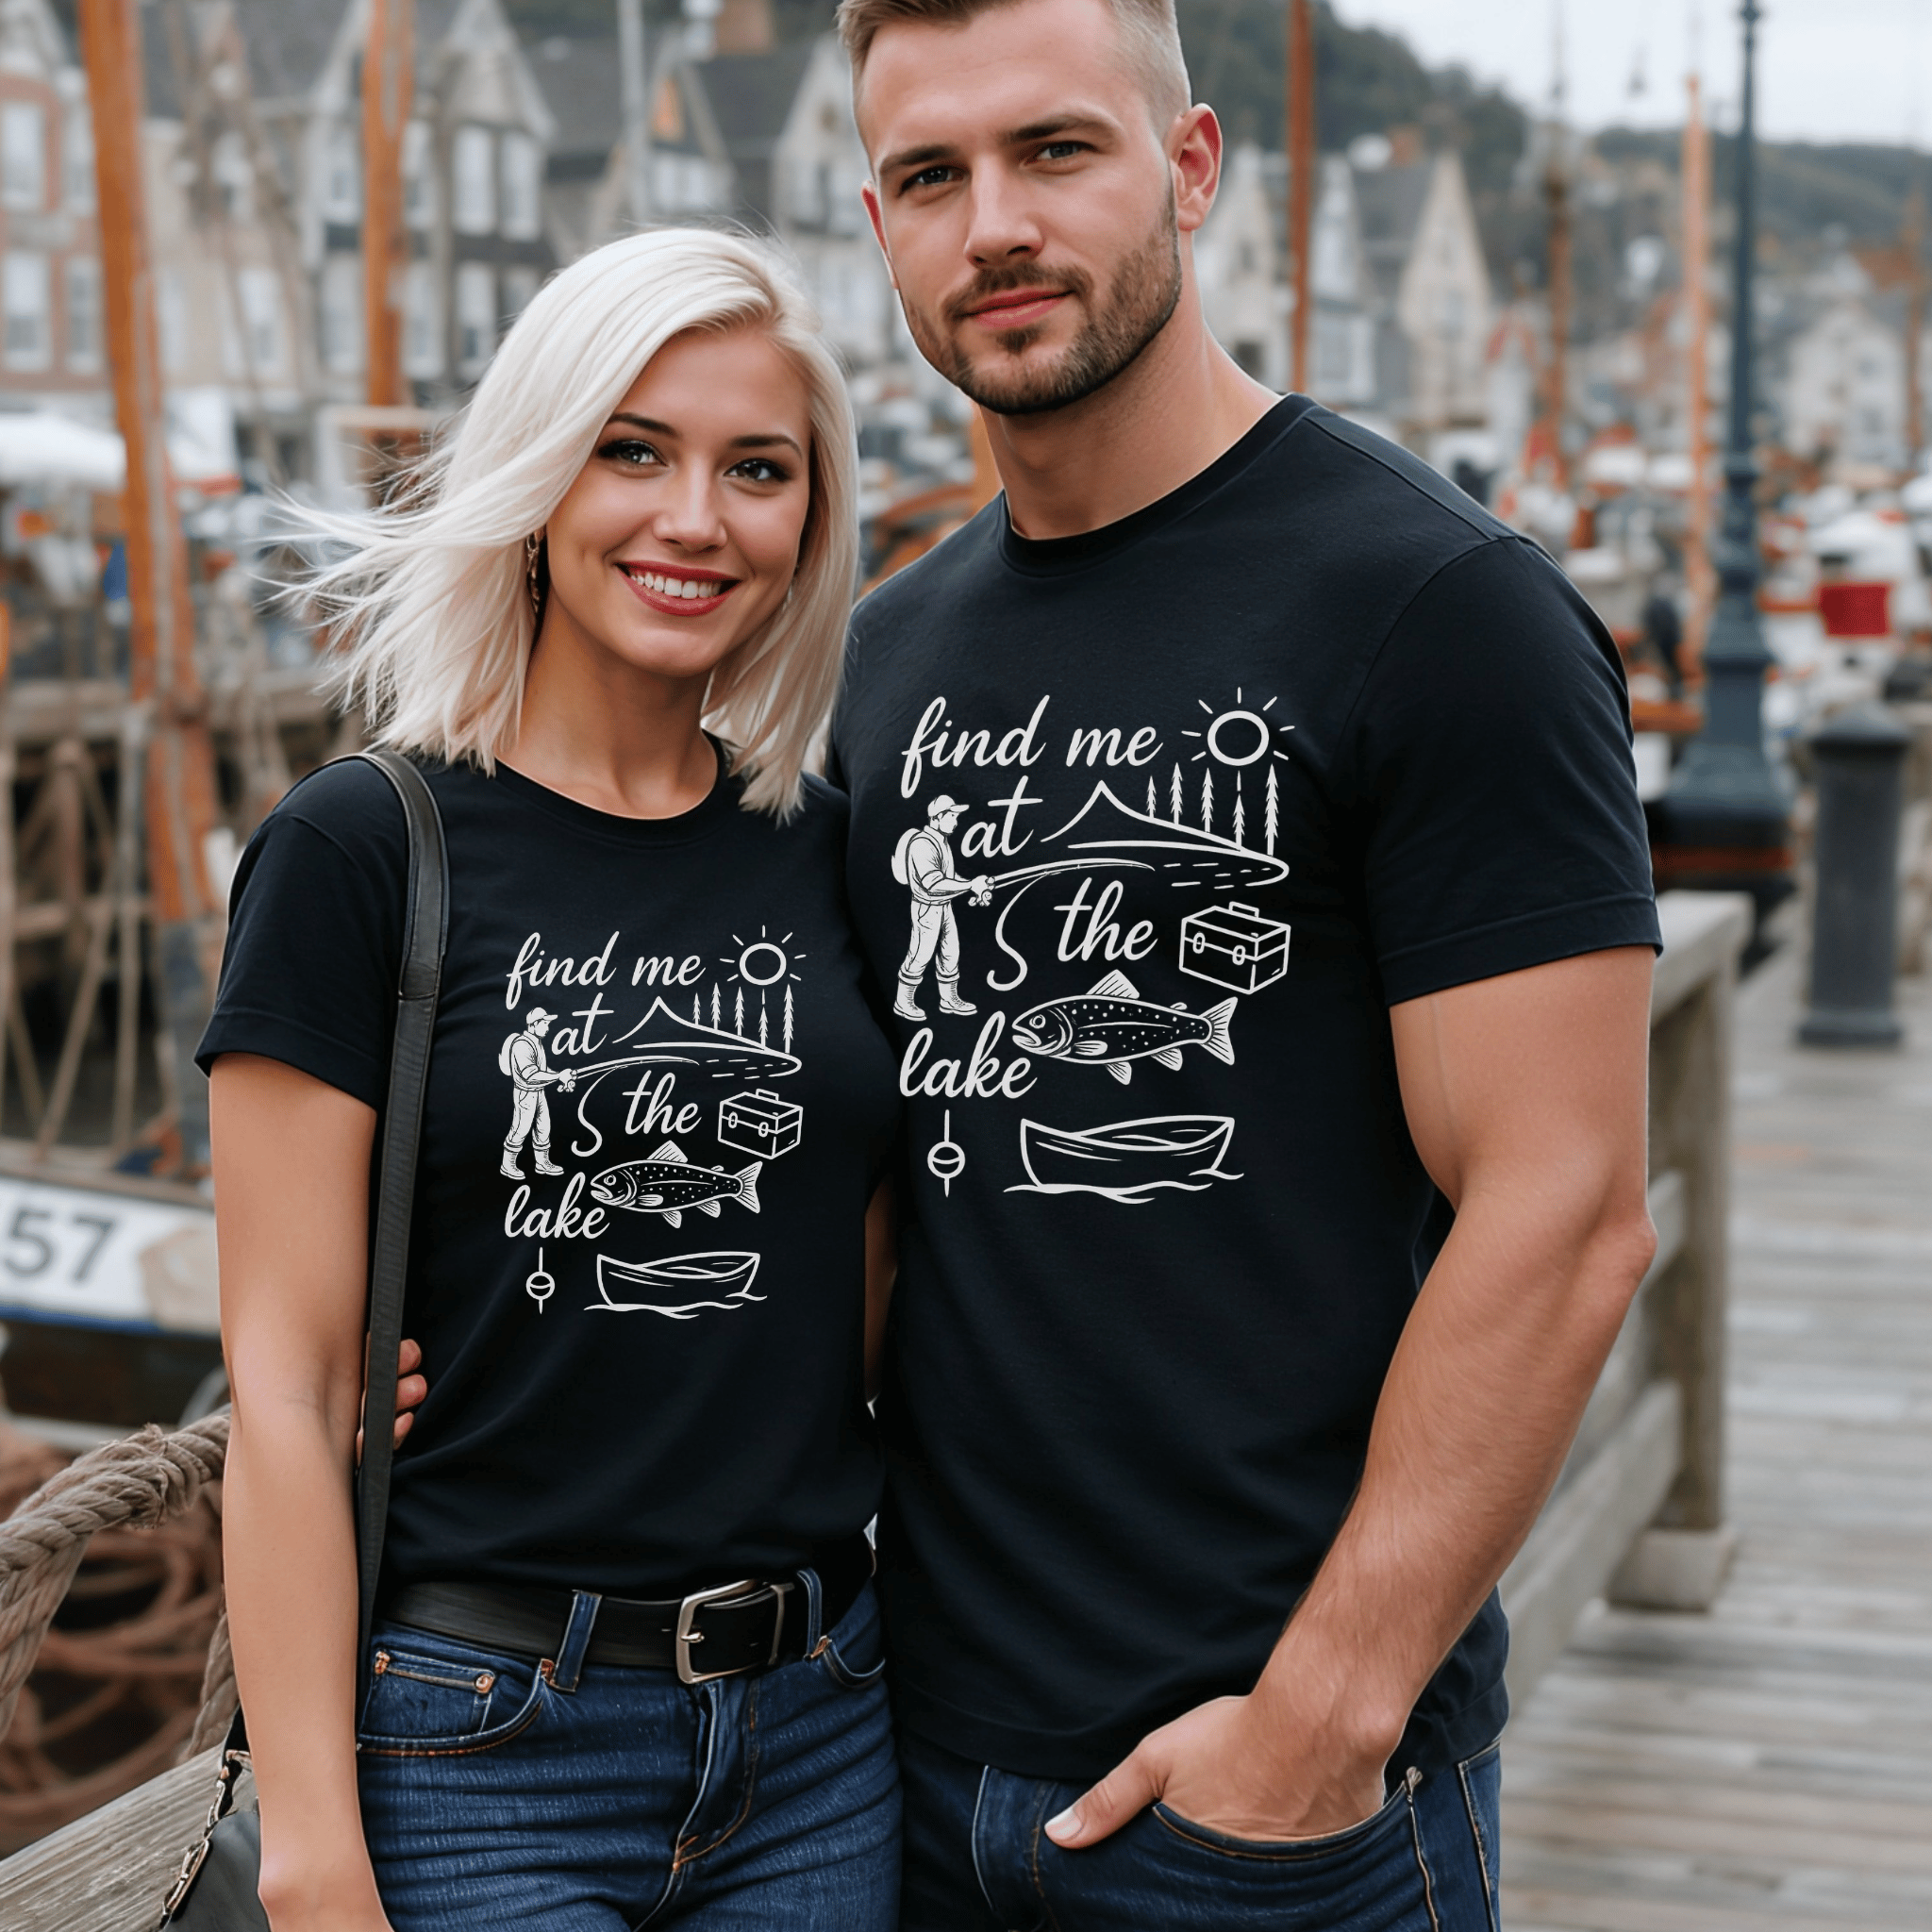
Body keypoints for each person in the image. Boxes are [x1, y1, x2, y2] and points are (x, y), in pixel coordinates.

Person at [824, 0, 1664, 1924]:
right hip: (902, 1752)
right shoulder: (884, 659)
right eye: (933, 177)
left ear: (1189, 168)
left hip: (1273, 1801)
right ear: (877, 223)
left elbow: (1565, 1205)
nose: (994, 227)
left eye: (1057, 152)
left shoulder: (1439, 607)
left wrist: (1317, 1726)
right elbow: (852, 1174)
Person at [203, 230, 901, 1932]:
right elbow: (285, 1388)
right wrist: (310, 1848)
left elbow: (871, 1277)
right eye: (631, 448)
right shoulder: (363, 845)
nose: (694, 517)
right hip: (479, 1735)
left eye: (757, 469)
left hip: (816, 1721)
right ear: (536, 474)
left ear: (809, 519)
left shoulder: (826, 847)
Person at [893, 795, 991, 1018]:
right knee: (920, 955)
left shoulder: (942, 842)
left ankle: (949, 999)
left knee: (951, 953)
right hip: (926, 908)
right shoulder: (922, 844)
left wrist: (973, 887)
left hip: (944, 907)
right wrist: (969, 885)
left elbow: (949, 876)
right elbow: (933, 884)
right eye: (952, 816)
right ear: (937, 818)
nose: (956, 822)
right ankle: (903, 1001)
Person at [499, 1006, 575, 1178]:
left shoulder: (537, 1043)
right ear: (533, 1025)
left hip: (539, 1092)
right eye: (544, 1023)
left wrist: (561, 1077)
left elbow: (542, 1069)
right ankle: (507, 1165)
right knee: (520, 1129)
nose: (547, 1028)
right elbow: (530, 1075)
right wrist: (558, 1077)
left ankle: (542, 1163)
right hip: (525, 1093)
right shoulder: (522, 1045)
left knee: (544, 1127)